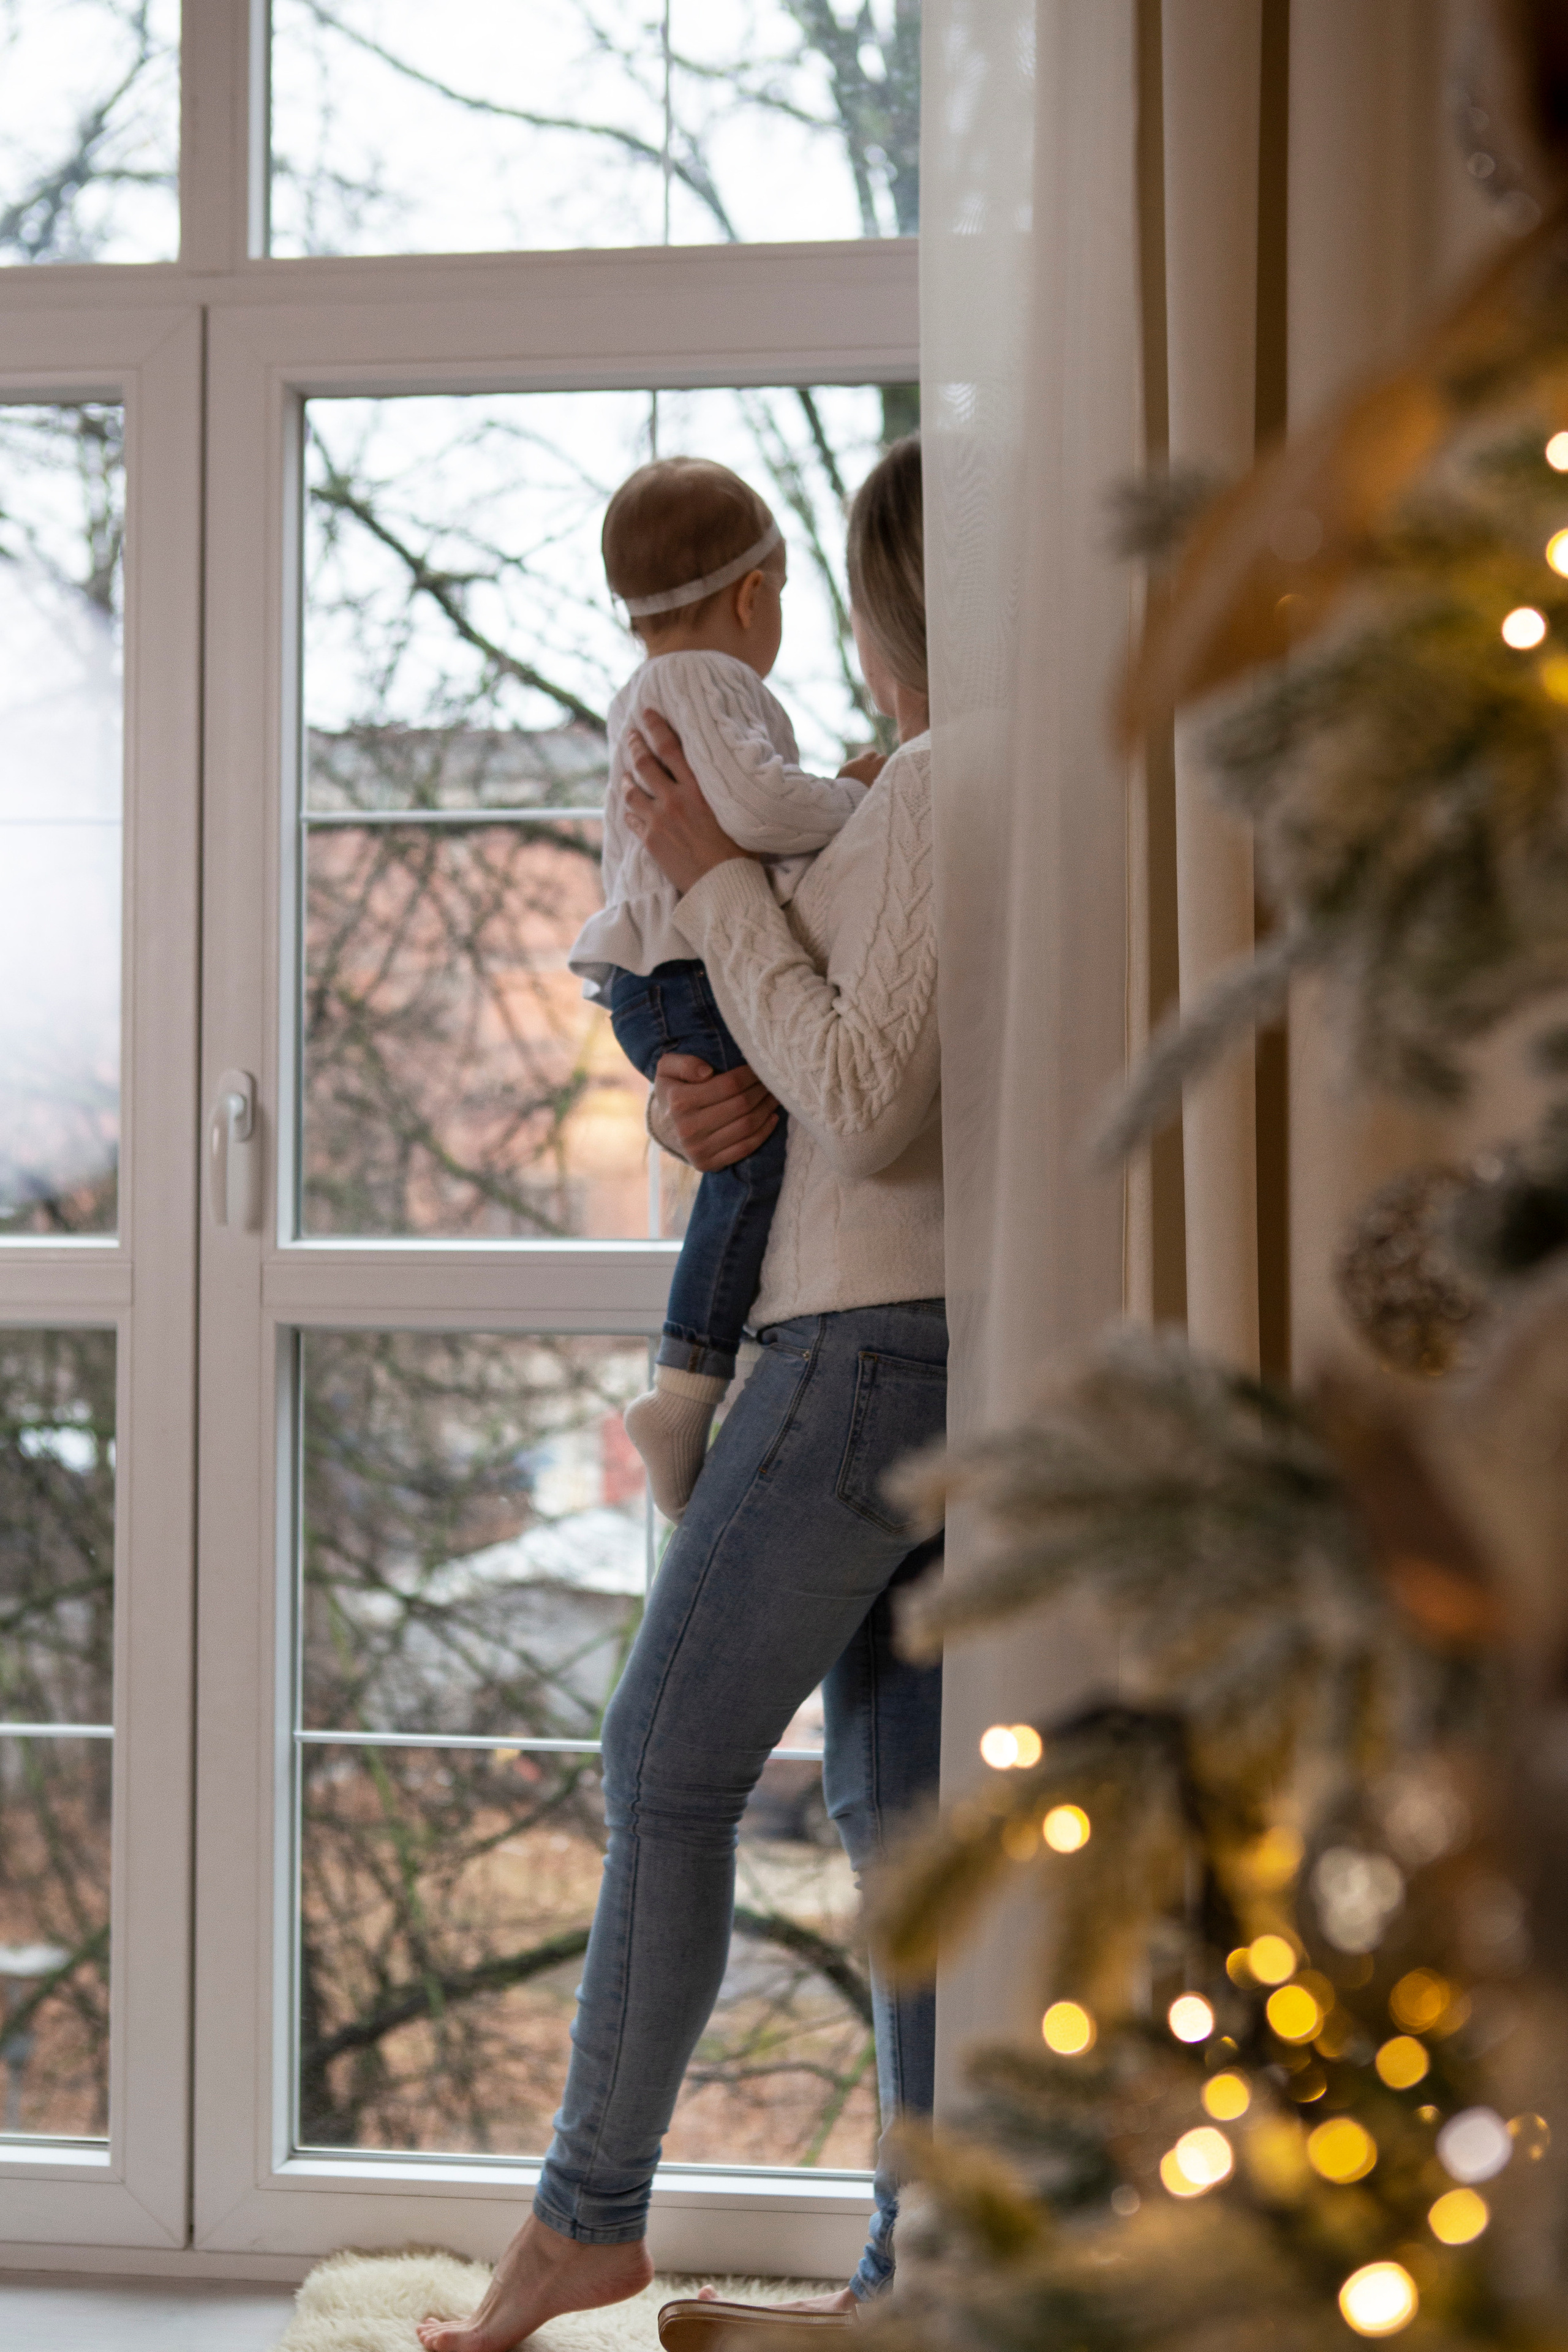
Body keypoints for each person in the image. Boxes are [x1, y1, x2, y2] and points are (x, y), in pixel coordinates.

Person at [418, 435, 940, 2352]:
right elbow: (824, 1054)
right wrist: (689, 1099)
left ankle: (585, 2221)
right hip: (929, 1336)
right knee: (905, 1825)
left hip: (856, 1337)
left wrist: (714, 883)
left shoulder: (933, 781)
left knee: (661, 1767)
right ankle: (917, 2281)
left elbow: (861, 1094)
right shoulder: (923, 785)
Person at [570, 456, 878, 1521]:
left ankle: (694, 1383)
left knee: (749, 1166)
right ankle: (685, 1388)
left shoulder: (651, 691)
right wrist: (856, 799)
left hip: (655, 978)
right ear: (754, 595)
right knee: (753, 1168)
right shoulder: (708, 679)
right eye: (781, 595)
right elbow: (757, 811)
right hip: (686, 970)